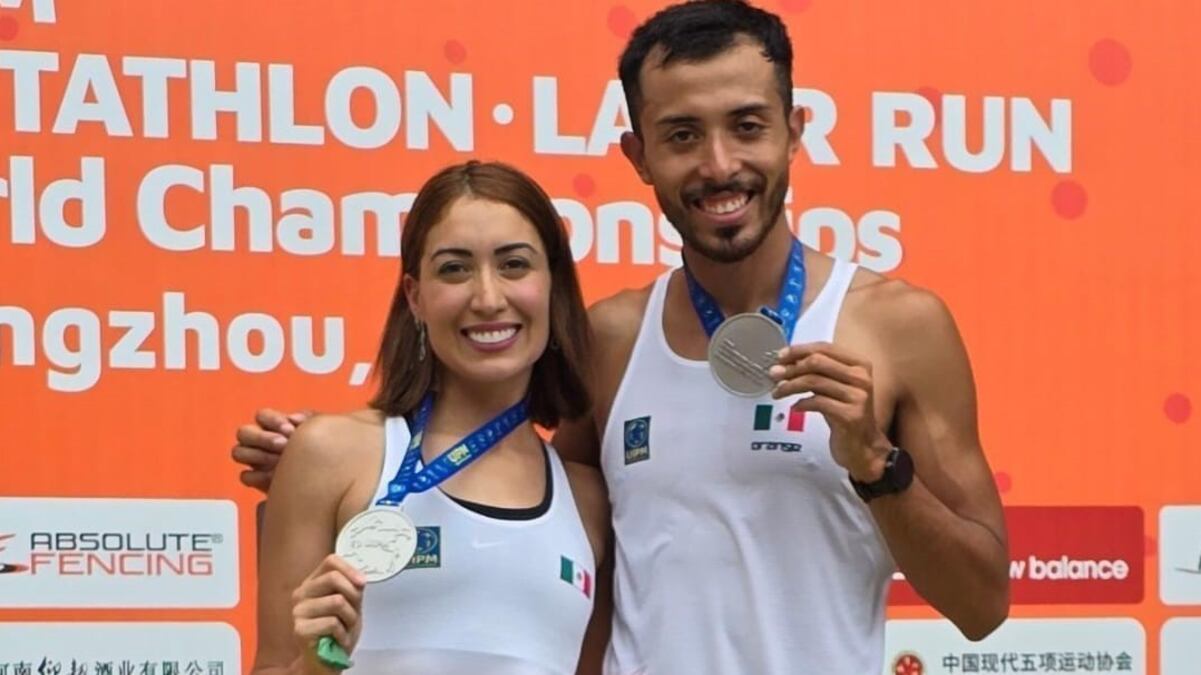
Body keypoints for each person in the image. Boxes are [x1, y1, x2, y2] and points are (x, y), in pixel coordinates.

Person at [236, 1, 1009, 672]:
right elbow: (526, 502)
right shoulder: (608, 338)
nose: (718, 164)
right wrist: (339, 469)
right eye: (680, 135)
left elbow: (982, 604)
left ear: (794, 130)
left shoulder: (898, 326)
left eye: (747, 126)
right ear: (637, 156)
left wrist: (877, 466)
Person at [249, 161, 610, 675]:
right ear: (416, 297)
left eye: (514, 265)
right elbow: (272, 665)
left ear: (553, 285)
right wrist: (314, 666)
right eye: (454, 268)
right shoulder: (331, 453)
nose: (488, 298)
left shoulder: (590, 502)